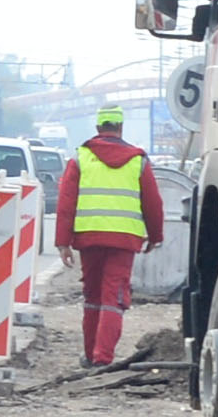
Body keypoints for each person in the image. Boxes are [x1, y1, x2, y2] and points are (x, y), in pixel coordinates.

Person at [54, 101, 164, 367]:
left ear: (98, 127)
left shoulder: (81, 157)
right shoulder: (138, 161)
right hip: (124, 240)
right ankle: (103, 358)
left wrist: (62, 243)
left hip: (89, 238)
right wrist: (155, 235)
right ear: (121, 127)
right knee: (113, 298)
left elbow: (66, 202)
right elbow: (153, 202)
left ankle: (91, 355)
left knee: (92, 296)